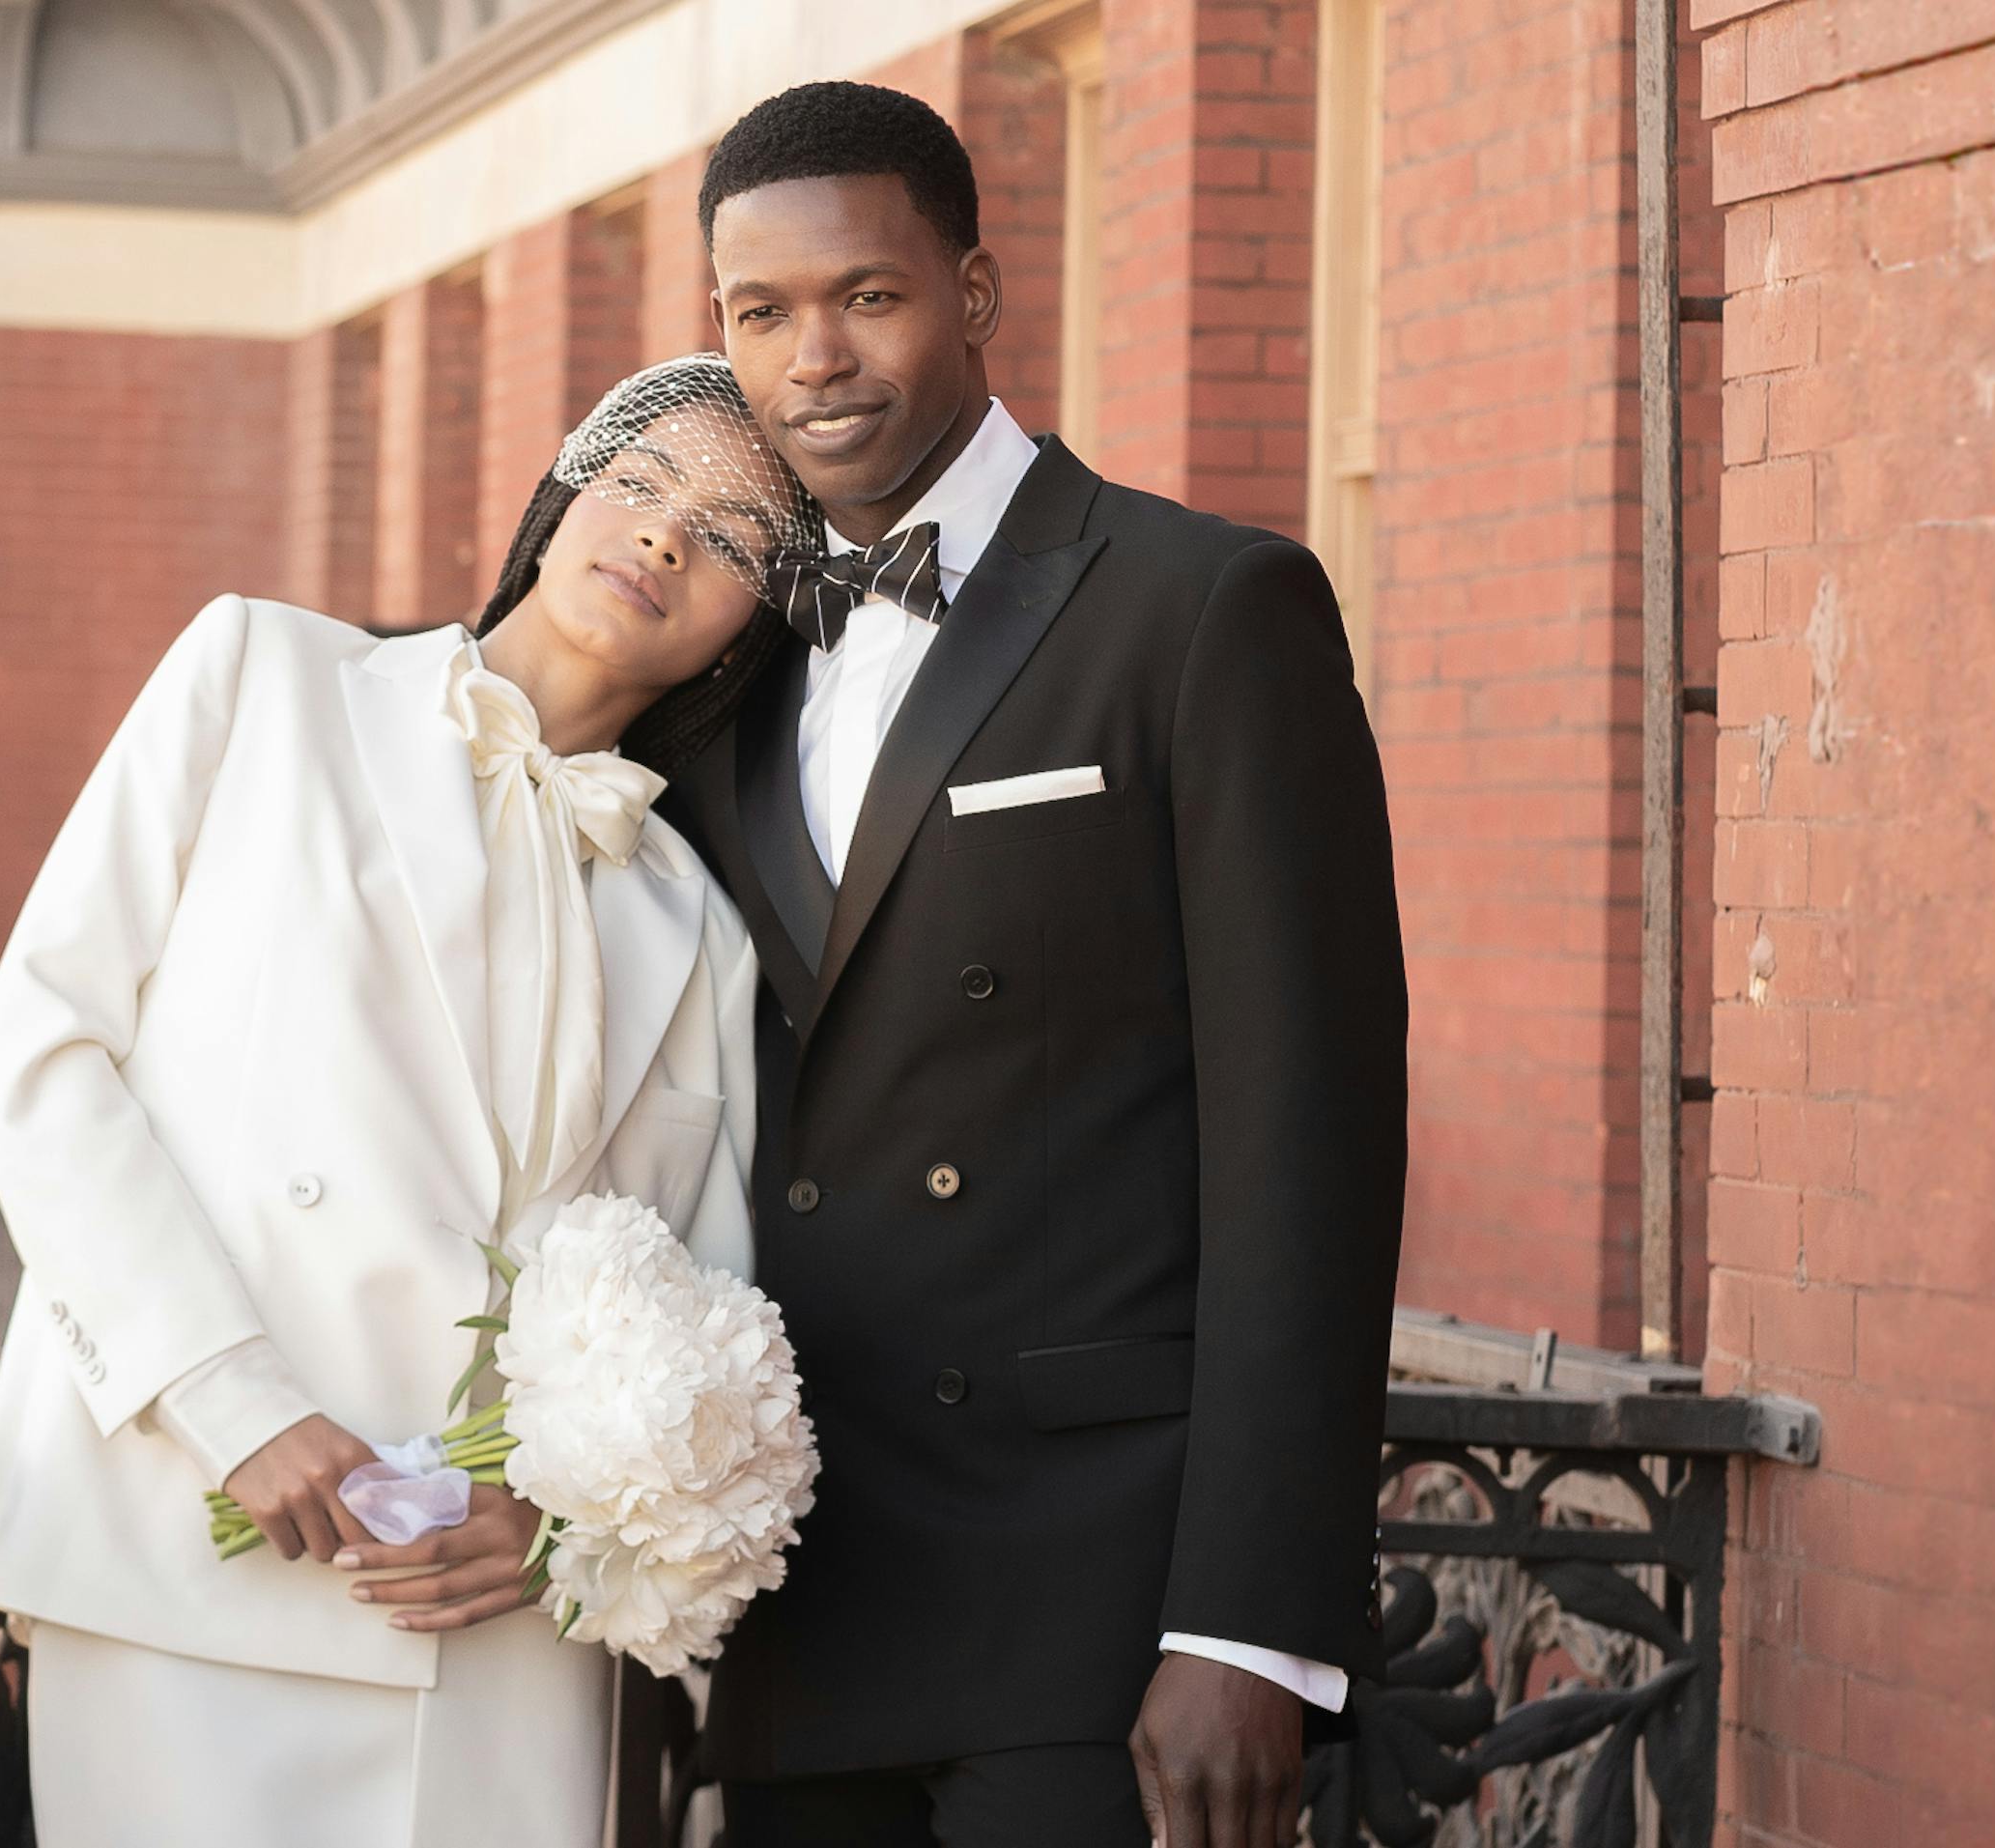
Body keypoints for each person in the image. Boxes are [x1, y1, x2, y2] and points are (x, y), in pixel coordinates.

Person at [0, 355, 815, 1848]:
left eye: (731, 537)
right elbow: (39, 1048)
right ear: (562, 496)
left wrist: (563, 1533)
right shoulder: (260, 678)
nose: (667, 535)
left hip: (500, 1642)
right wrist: (229, 1399)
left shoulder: (699, 927)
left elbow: (700, 1297)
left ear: (759, 618)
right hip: (195, 1567)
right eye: (644, 481)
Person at [669, 83, 1411, 1848]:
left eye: (869, 295)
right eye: (759, 316)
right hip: (804, 1592)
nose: (815, 360)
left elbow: (1311, 1136)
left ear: (980, 293)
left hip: (1102, 1603)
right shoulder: (726, 666)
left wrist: (1251, 1623)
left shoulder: (1202, 606)